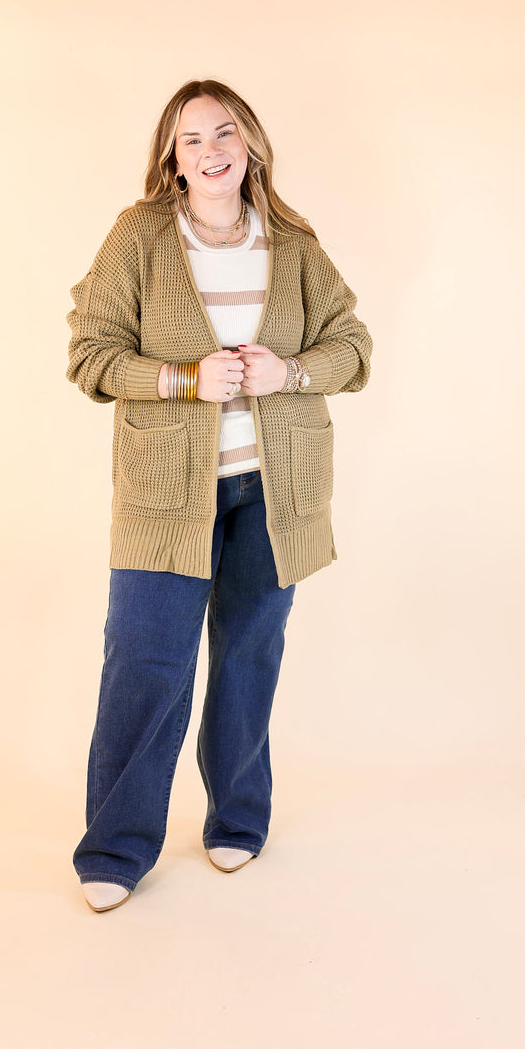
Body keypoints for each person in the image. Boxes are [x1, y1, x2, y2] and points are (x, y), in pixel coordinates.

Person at [66, 79, 373, 912]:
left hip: (275, 489)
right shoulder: (139, 237)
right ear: (173, 158)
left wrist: (290, 372)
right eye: (192, 138)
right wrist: (184, 380)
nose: (211, 150)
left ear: (251, 145)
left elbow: (352, 346)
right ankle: (116, 847)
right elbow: (91, 354)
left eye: (225, 132)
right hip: (167, 494)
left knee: (248, 654)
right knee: (146, 661)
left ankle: (237, 818)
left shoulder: (294, 243)